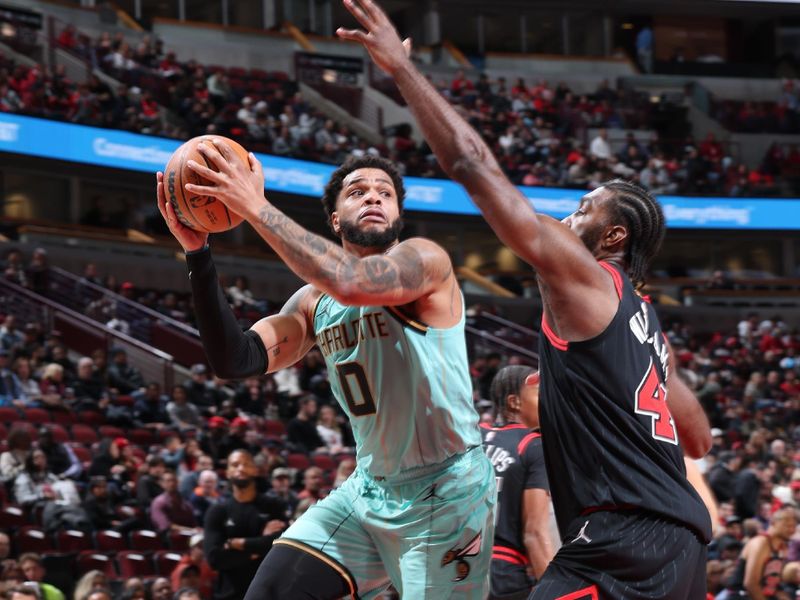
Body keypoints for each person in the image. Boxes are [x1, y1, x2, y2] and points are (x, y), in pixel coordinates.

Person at [334, 1, 712, 597]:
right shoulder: (646, 324)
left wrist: (402, 72)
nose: (569, 213)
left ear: (613, 238)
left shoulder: (586, 278)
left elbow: (470, 163)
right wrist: (659, 358)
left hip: (621, 541)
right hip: (684, 547)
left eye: (585, 209)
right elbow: (698, 440)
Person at [156, 75, 495, 599]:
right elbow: (236, 359)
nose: (375, 198)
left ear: (400, 214)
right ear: (335, 218)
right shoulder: (314, 303)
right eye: (358, 192)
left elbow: (353, 282)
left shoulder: (425, 261)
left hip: (448, 491)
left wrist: (253, 207)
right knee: (269, 592)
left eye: (385, 192)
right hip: (369, 490)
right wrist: (198, 255)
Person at [482, 367, 555, 600]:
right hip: (502, 575)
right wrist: (557, 591)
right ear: (514, 402)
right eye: (540, 395)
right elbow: (534, 535)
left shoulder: (469, 437)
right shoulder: (533, 446)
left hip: (448, 569)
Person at [202, 450, 287, 600]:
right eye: (235, 465)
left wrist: (238, 543)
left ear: (255, 470)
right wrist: (261, 544)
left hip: (268, 593)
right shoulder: (217, 511)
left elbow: (283, 546)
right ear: (227, 472)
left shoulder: (274, 506)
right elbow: (215, 559)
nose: (241, 468)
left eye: (246, 464)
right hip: (229, 594)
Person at [719, 508, 797, 599]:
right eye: (787, 525)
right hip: (741, 596)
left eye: (794, 526)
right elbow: (751, 584)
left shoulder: (783, 547)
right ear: (773, 522)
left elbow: (773, 583)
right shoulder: (760, 543)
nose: (791, 529)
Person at [149, 470, 198, 535]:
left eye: (174, 480)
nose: (172, 483)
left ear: (178, 482)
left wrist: (197, 530)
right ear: (162, 484)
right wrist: (191, 530)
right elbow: (166, 527)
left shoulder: (185, 503)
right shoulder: (158, 502)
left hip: (188, 536)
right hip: (167, 539)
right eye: (168, 481)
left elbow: (193, 523)